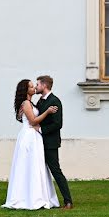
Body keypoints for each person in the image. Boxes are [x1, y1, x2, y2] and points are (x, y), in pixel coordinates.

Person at [3, 79, 60, 210]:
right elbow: (33, 121)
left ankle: (35, 195)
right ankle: (27, 197)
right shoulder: (26, 104)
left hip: (34, 136)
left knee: (35, 165)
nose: (34, 87)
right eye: (30, 86)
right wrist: (47, 112)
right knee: (28, 165)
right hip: (29, 137)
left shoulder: (31, 103)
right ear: (25, 90)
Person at [35, 75, 74, 209]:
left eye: (38, 84)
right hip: (38, 142)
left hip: (50, 143)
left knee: (55, 171)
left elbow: (58, 124)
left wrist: (40, 130)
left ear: (44, 85)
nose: (36, 87)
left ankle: (68, 201)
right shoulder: (40, 101)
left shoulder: (55, 101)